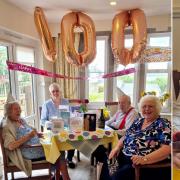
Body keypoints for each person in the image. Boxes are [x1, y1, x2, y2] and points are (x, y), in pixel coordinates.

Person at [95, 95, 171, 180]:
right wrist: (117, 147)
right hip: (124, 157)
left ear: (157, 108)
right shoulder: (139, 121)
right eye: (144, 106)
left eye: (150, 106)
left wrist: (144, 159)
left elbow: (167, 149)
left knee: (117, 177)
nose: (146, 109)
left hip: (142, 164)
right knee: (106, 160)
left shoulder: (163, 124)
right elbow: (126, 135)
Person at [2, 93, 70, 180]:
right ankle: (63, 177)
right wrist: (29, 136)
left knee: (57, 148)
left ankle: (57, 176)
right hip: (28, 151)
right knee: (59, 152)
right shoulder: (7, 126)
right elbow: (11, 146)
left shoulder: (20, 120)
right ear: (9, 112)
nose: (19, 110)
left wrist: (36, 134)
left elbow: (29, 130)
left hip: (36, 146)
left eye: (19, 108)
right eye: (16, 109)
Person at [41, 82, 76, 169]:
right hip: (53, 128)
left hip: (65, 126)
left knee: (73, 137)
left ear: (60, 91)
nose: (56, 93)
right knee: (57, 139)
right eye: (53, 91)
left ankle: (69, 159)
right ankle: (60, 160)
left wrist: (72, 117)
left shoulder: (65, 101)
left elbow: (69, 115)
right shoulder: (46, 104)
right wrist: (51, 123)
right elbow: (42, 121)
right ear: (50, 93)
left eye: (57, 91)